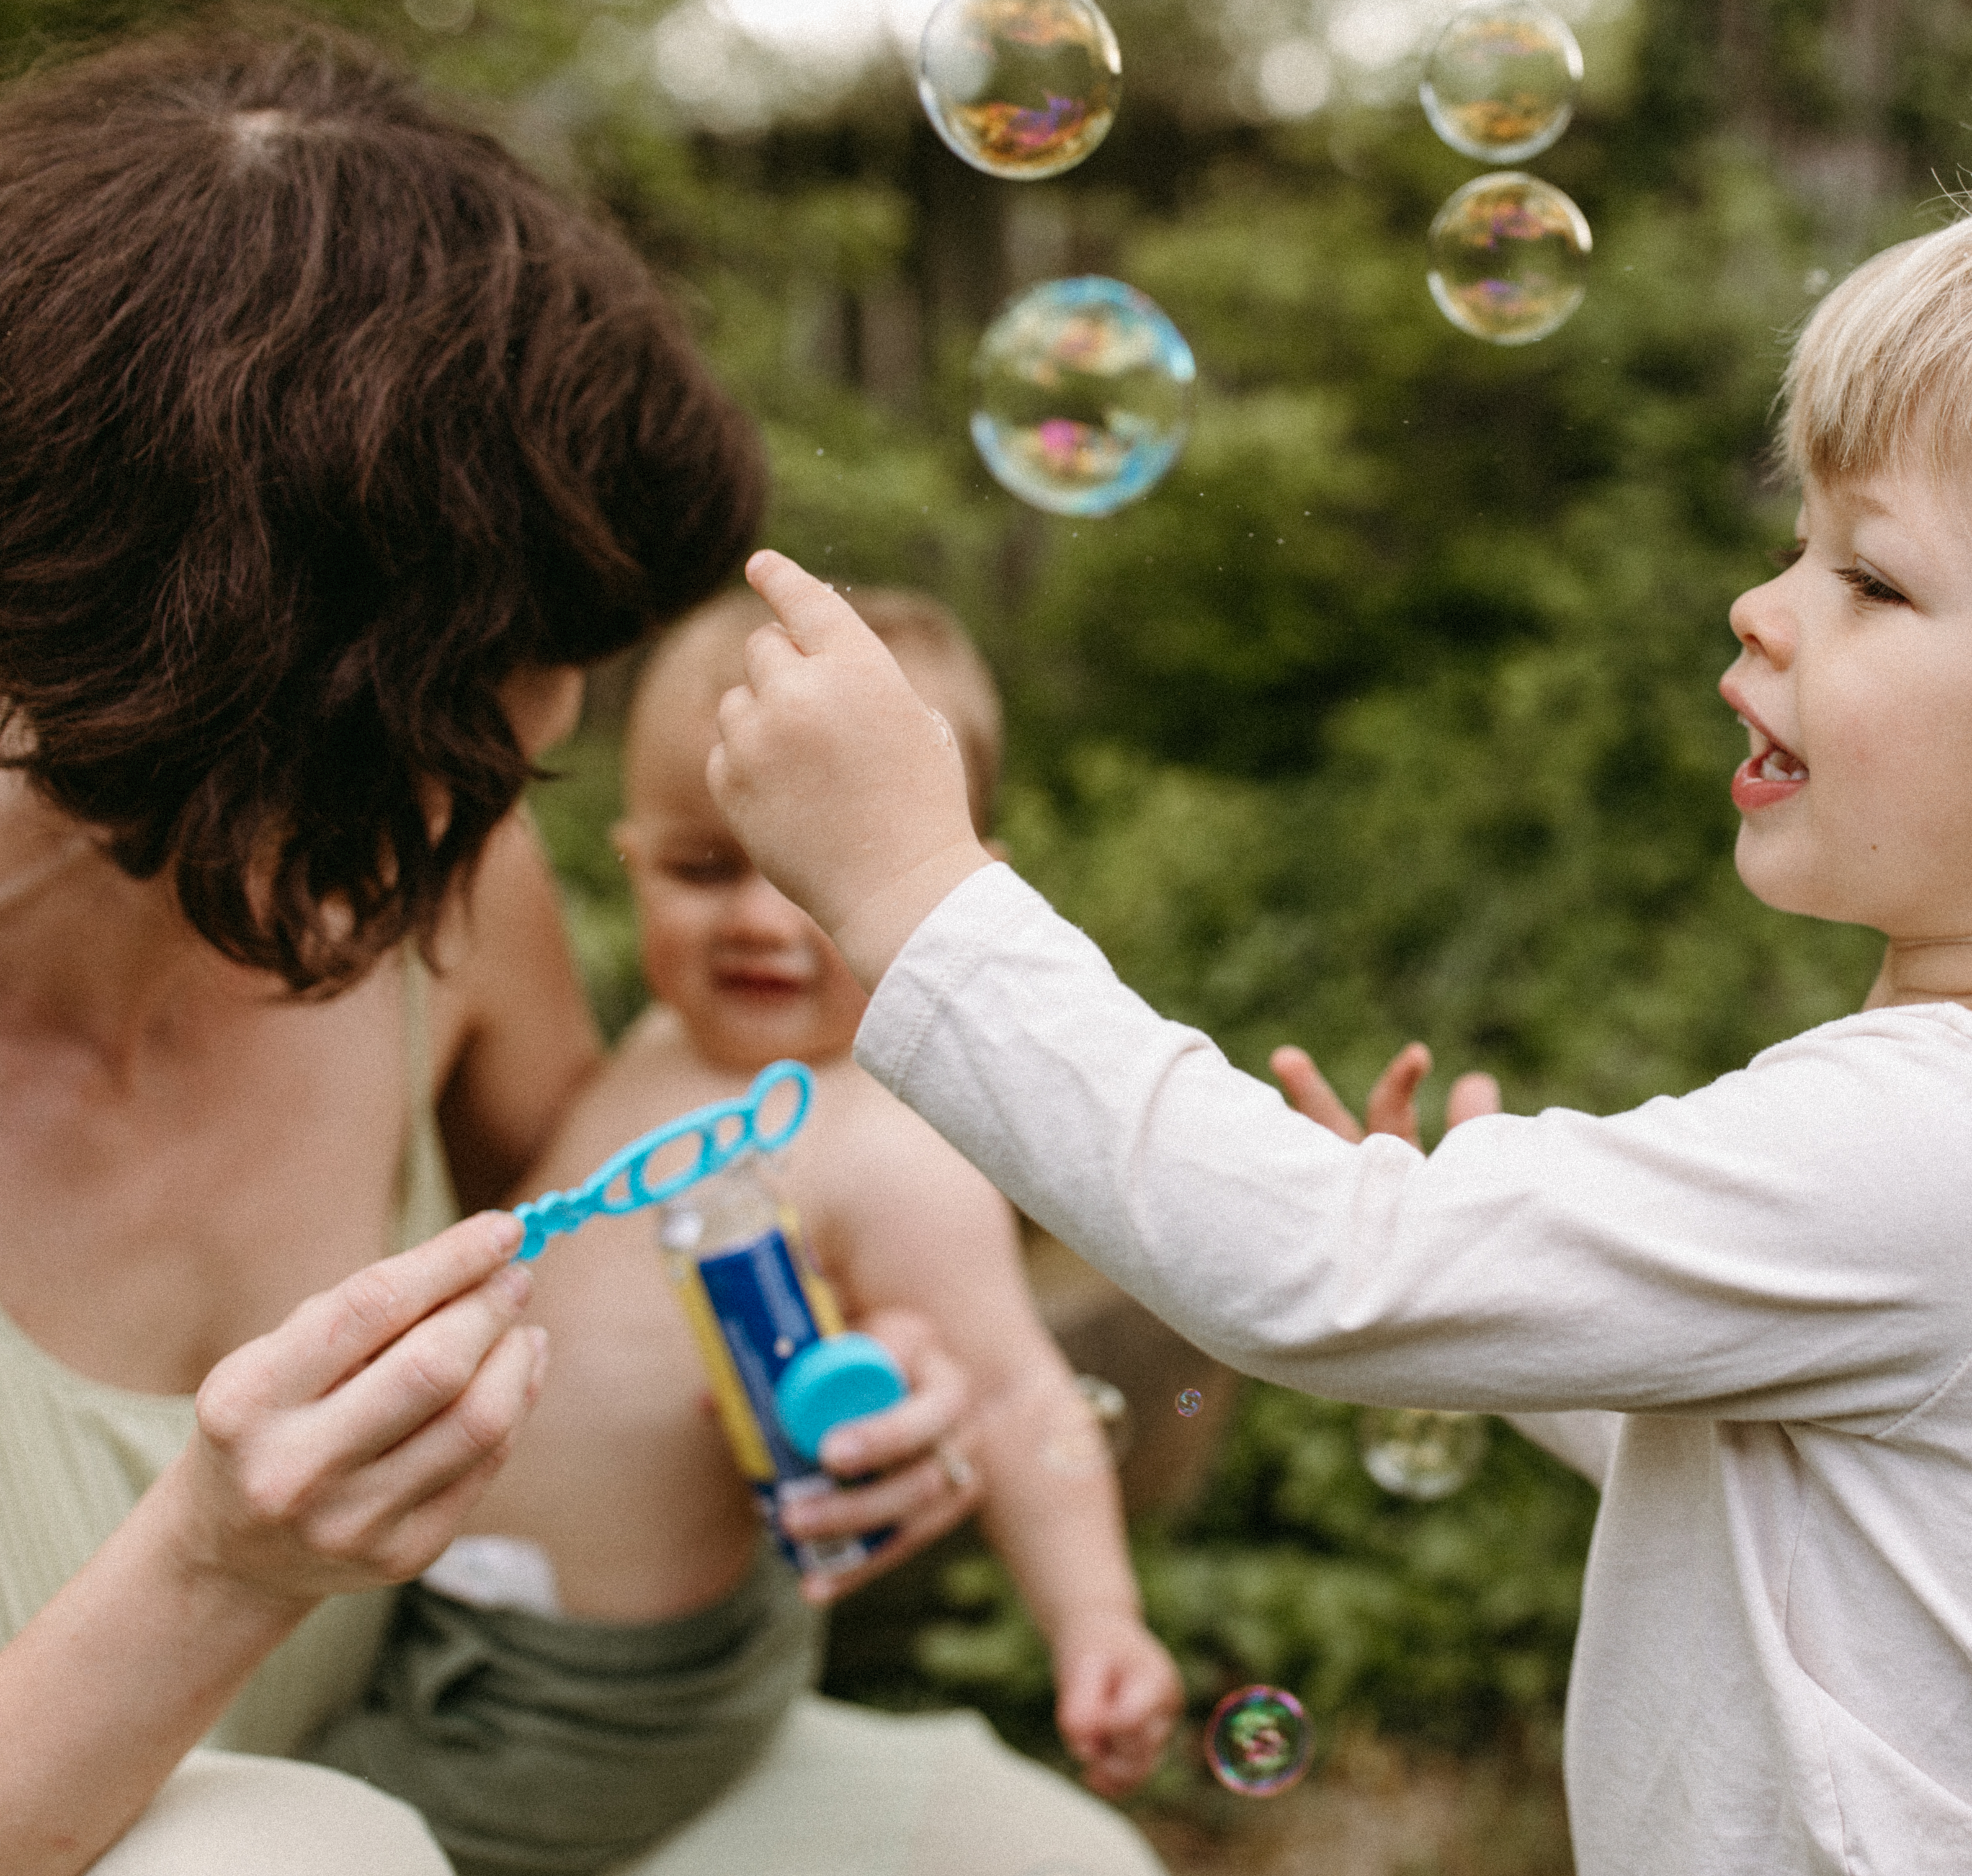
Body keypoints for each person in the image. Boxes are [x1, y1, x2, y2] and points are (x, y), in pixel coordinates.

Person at [704, 118, 1972, 1875]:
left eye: (1872, 579)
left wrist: (909, 886)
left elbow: (1311, 1276)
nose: (1762, 607)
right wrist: (1529, 1286)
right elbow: (1811, 1529)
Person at [0, 26, 1162, 1876]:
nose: (538, 737)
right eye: (494, 675)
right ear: (274, 653)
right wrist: (217, 1565)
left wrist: (867, 1385)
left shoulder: (436, 884)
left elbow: (664, 1244)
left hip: (478, 1773)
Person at [308, 590, 1182, 1876]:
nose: (762, 922)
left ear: (966, 890)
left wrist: (1098, 1620)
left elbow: (1015, 1391)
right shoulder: (671, 1049)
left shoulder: (891, 1141)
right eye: (704, 868)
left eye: (815, 879)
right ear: (631, 860)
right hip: (456, 1617)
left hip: (603, 1698)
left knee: (316, 1819)